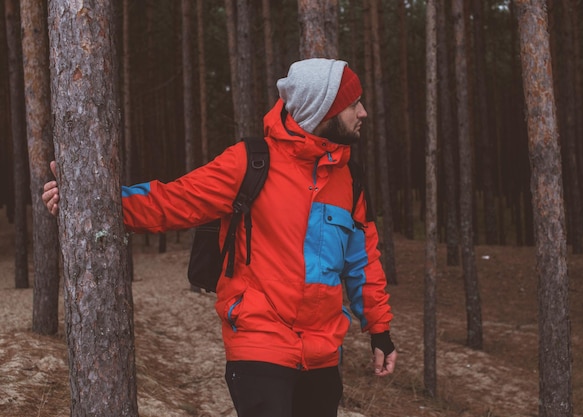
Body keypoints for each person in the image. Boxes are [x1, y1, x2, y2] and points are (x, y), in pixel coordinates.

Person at [43, 58, 396, 417]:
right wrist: (86, 201)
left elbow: (361, 261)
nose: (363, 112)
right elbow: (174, 201)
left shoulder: (349, 177)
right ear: (325, 109)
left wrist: (380, 329)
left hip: (323, 354)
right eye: (354, 104)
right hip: (260, 348)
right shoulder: (251, 162)